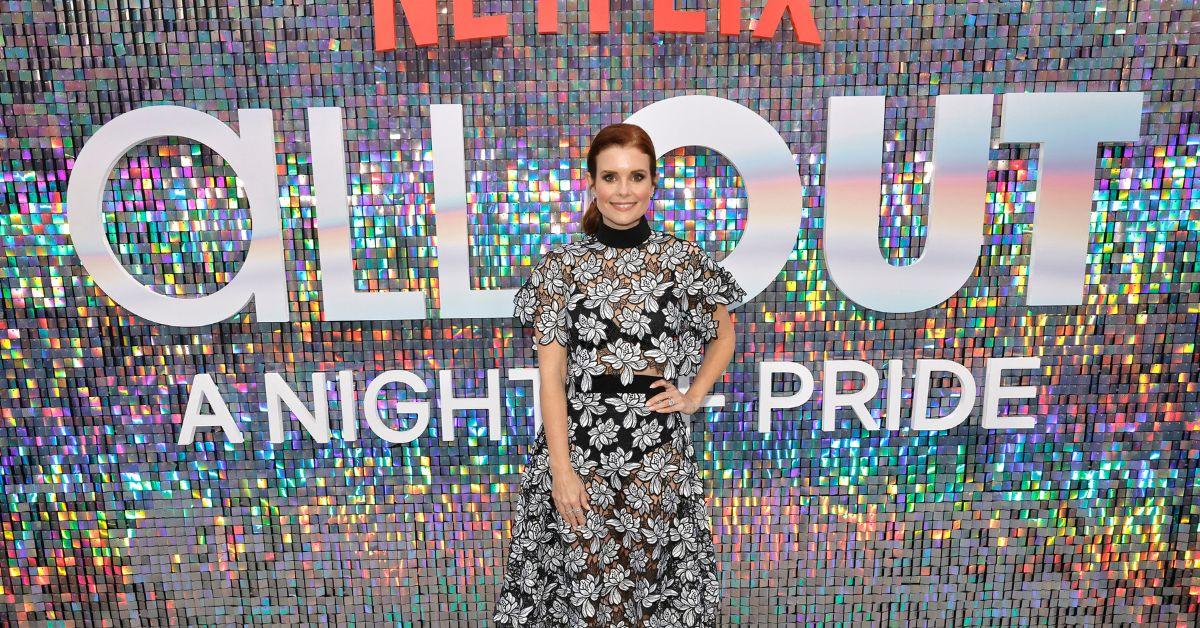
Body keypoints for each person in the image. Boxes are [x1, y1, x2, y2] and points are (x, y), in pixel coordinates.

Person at [494, 122, 746, 627]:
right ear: (592, 184)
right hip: (579, 449)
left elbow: (724, 336)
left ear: (654, 184)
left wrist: (693, 396)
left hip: (658, 456)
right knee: (586, 593)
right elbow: (551, 378)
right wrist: (561, 471)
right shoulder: (561, 267)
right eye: (611, 177)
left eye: (636, 177)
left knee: (651, 591)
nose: (623, 190)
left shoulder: (682, 260)